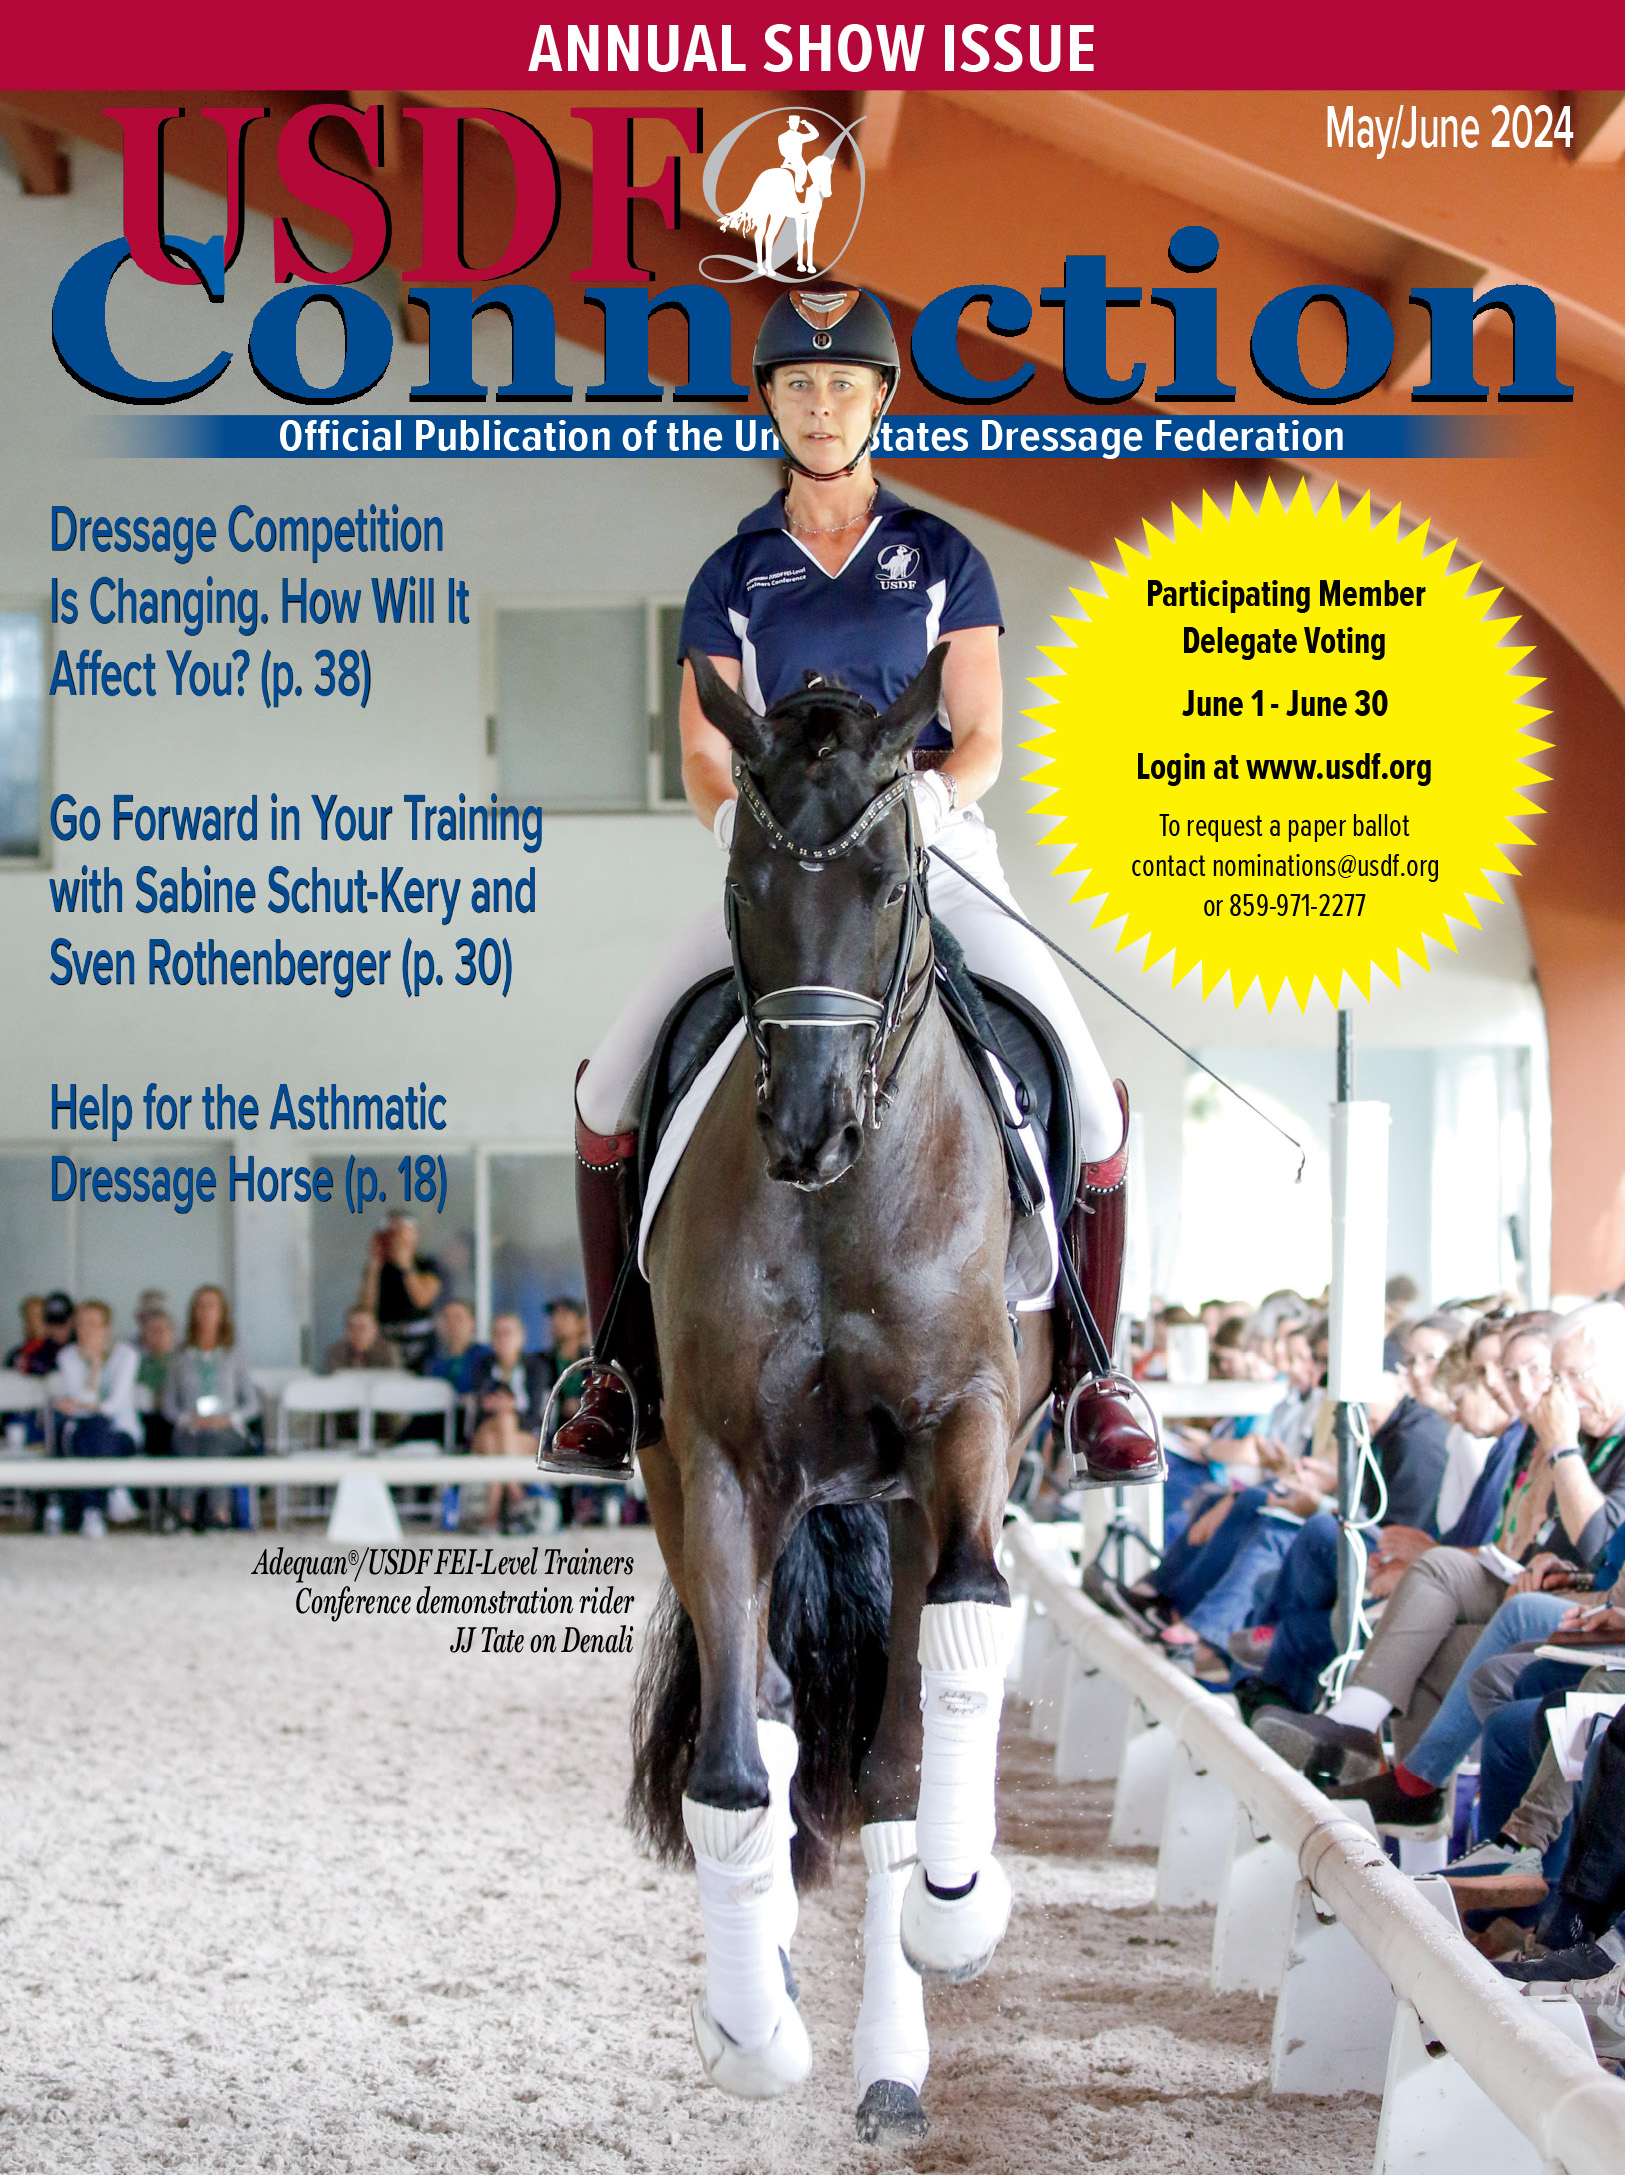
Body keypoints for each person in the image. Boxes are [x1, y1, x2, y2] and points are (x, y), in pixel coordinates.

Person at [550, 284, 1152, 1492]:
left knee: (1089, 1095)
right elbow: (703, 750)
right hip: (779, 869)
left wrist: (922, 806)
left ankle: (1095, 1373)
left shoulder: (941, 559)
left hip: (931, 855)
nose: (819, 407)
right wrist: (742, 826)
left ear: (878, 399)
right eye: (798, 386)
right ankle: (616, 1369)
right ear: (768, 402)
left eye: (841, 385)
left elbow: (980, 736)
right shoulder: (734, 571)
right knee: (610, 1085)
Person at [1255, 1301, 1625, 1785]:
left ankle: (1410, 1784)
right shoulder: (1563, 1437)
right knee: (1433, 1579)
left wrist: (1561, 1447)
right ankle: (1367, 1741)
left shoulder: (1564, 1439)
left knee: (1427, 1627)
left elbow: (1600, 1539)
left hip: (1589, 1613)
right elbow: (1557, 1547)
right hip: (1555, 1589)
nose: (1556, 1392)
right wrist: (1556, 1567)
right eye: (1556, 1377)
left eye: (1573, 1376)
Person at [163, 1286, 258, 1531]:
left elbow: (252, 1403)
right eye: (201, 1306)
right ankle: (185, 1513)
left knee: (214, 1444)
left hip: (226, 1429)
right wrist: (188, 1419)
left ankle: (219, 1513)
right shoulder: (180, 1355)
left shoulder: (234, 1353)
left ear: (222, 1313)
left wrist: (227, 1419)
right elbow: (168, 1404)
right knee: (191, 1443)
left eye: (212, 1306)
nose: (206, 1312)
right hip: (191, 1428)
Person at [49, 1300, 140, 1536]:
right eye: (81, 1324)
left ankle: (93, 1511)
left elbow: (112, 1408)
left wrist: (81, 1405)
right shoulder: (68, 1356)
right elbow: (88, 1410)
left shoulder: (126, 1355)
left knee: (95, 1427)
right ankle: (115, 1488)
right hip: (83, 1435)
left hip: (122, 1436)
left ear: (105, 1329)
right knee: (91, 1427)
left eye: (92, 1324)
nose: (85, 1330)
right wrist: (94, 1367)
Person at [470, 1312, 556, 1533]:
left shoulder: (536, 1368)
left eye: (507, 1333)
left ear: (521, 1338)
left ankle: (492, 1511)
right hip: (488, 1433)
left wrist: (510, 1408)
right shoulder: (483, 1366)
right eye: (496, 1334)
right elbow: (477, 1415)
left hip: (523, 1436)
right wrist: (496, 1408)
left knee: (502, 1425)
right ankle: (514, 1490)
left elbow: (535, 1416)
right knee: (500, 1423)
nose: (501, 1339)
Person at [358, 1215, 441, 1372]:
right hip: (386, 1344)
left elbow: (422, 1299)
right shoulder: (380, 1269)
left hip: (420, 1346)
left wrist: (406, 1266)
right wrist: (374, 1264)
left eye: (401, 1233)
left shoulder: (426, 1263)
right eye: (392, 1234)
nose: (396, 1240)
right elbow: (366, 1308)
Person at [323, 1306, 400, 1375]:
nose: (356, 1333)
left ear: (374, 1330)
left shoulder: (388, 1351)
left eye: (361, 1328)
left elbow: (393, 1381)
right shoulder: (335, 1352)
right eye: (351, 1327)